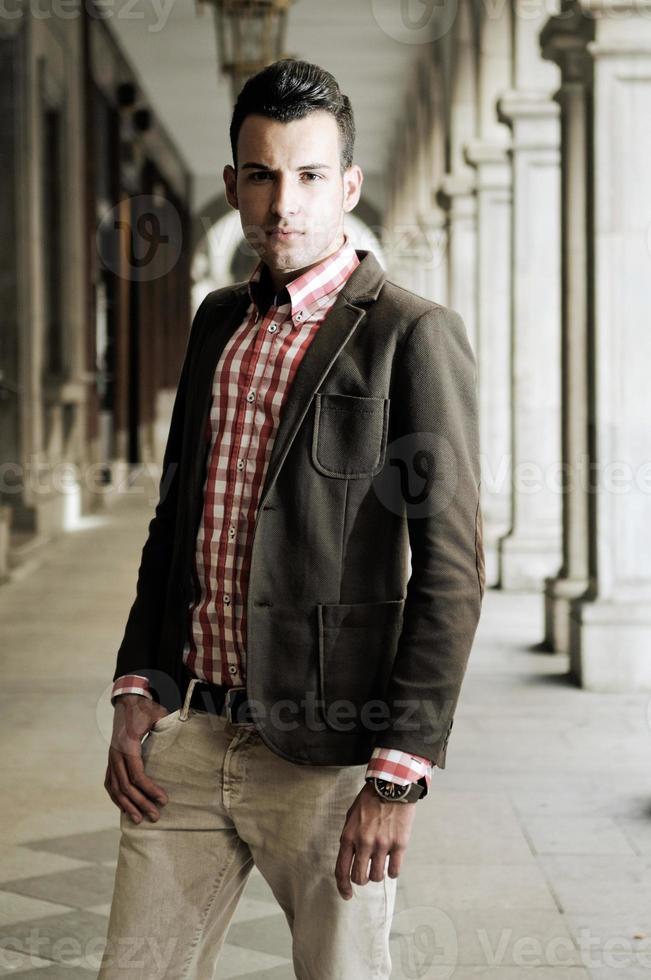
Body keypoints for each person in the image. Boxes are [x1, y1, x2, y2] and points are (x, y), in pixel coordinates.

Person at [99, 58, 485, 980]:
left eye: (311, 176)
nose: (285, 204)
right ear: (233, 184)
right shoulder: (215, 322)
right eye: (263, 175)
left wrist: (398, 771)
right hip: (186, 742)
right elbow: (174, 518)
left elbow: (450, 567)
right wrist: (136, 684)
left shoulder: (409, 334)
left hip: (328, 759)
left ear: (348, 185)